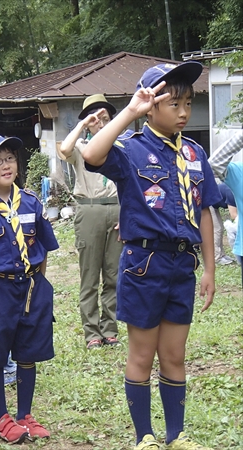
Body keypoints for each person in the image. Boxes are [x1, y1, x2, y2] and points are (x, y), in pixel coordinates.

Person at [81, 61, 221, 450]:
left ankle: (176, 435)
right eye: (174, 103)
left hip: (182, 265)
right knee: (142, 356)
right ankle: (145, 436)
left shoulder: (194, 153)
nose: (183, 112)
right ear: (151, 105)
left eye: (188, 103)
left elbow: (206, 211)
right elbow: (92, 153)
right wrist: (129, 111)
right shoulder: (130, 150)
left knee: (174, 356)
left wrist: (209, 269)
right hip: (144, 265)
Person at [0, 134, 59, 444]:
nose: (6, 165)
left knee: (28, 351)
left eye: (10, 158)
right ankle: (2, 416)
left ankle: (25, 415)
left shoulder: (30, 200)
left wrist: (39, 285)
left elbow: (43, 246)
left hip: (30, 287)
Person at [58, 94, 122, 350]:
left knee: (113, 275)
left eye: (105, 118)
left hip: (117, 210)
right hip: (90, 210)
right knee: (89, 275)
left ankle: (110, 330)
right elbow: (64, 150)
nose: (101, 122)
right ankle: (92, 333)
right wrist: (83, 124)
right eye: (95, 119)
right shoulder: (81, 147)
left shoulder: (122, 148)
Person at [209, 130, 243, 286]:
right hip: (209, 204)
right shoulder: (239, 173)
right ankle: (218, 255)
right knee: (217, 229)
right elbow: (214, 164)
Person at [209, 182, 237, 265]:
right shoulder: (232, 192)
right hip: (208, 203)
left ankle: (222, 254)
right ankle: (217, 257)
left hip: (214, 204)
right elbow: (234, 215)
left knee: (219, 228)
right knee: (217, 229)